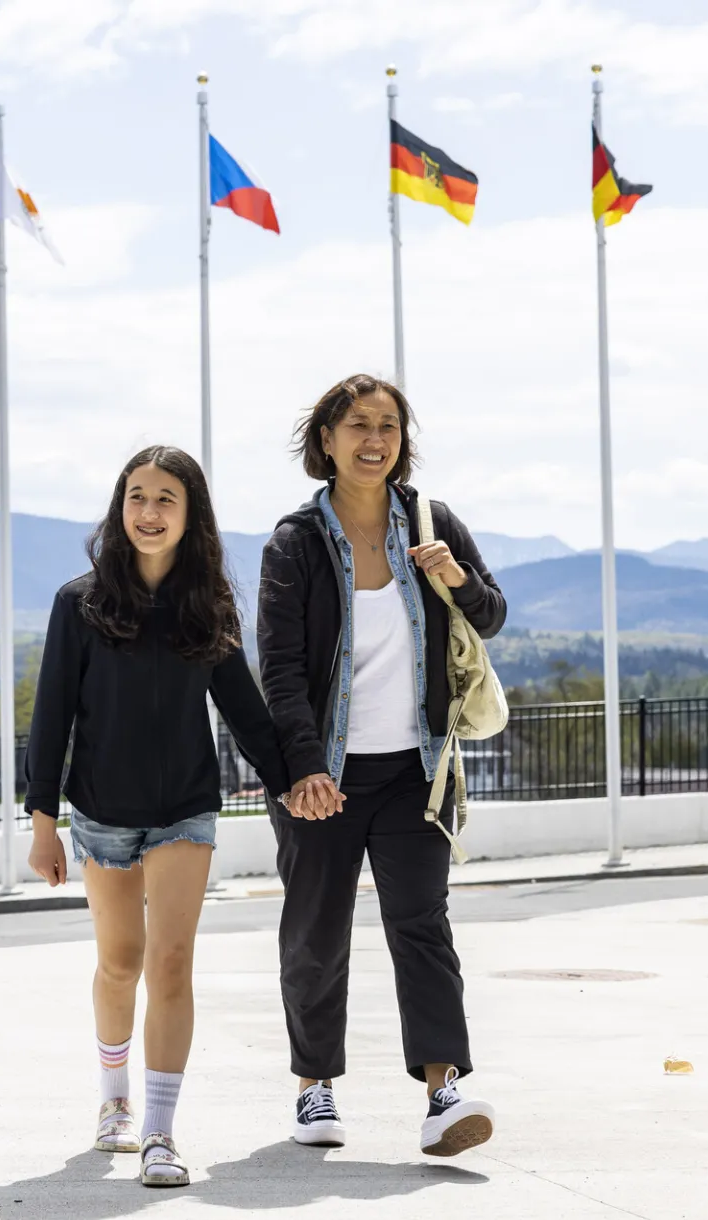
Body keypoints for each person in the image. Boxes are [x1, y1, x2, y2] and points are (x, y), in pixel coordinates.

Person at [26, 445, 292, 1189]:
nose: (148, 511)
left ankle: (160, 1131)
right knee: (121, 962)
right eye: (136, 496)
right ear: (120, 508)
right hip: (102, 814)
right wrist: (42, 819)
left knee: (172, 962)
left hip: (185, 808)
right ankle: (114, 1098)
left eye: (165, 498)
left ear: (190, 514)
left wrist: (291, 784)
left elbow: (244, 709)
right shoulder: (78, 604)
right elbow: (51, 717)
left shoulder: (207, 607)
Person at [257, 373, 507, 1158]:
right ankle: (314, 1088)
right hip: (321, 775)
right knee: (317, 931)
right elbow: (282, 669)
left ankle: (443, 1094)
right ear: (325, 440)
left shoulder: (432, 524)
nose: (374, 440)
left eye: (388, 426)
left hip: (415, 768)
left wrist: (454, 578)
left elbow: (493, 613)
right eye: (358, 424)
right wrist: (304, 768)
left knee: (421, 925)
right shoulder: (295, 542)